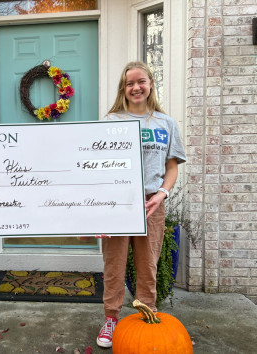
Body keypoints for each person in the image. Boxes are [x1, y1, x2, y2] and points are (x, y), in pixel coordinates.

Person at [96, 61, 186, 348]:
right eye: (129, 83)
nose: (136, 87)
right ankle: (111, 318)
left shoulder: (165, 123)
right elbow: (95, 167)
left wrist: (162, 194)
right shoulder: (110, 122)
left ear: (150, 84)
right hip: (117, 203)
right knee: (114, 265)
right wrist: (97, 211)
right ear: (123, 88)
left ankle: (148, 314)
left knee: (148, 266)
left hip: (151, 204)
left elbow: (171, 167)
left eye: (141, 81)